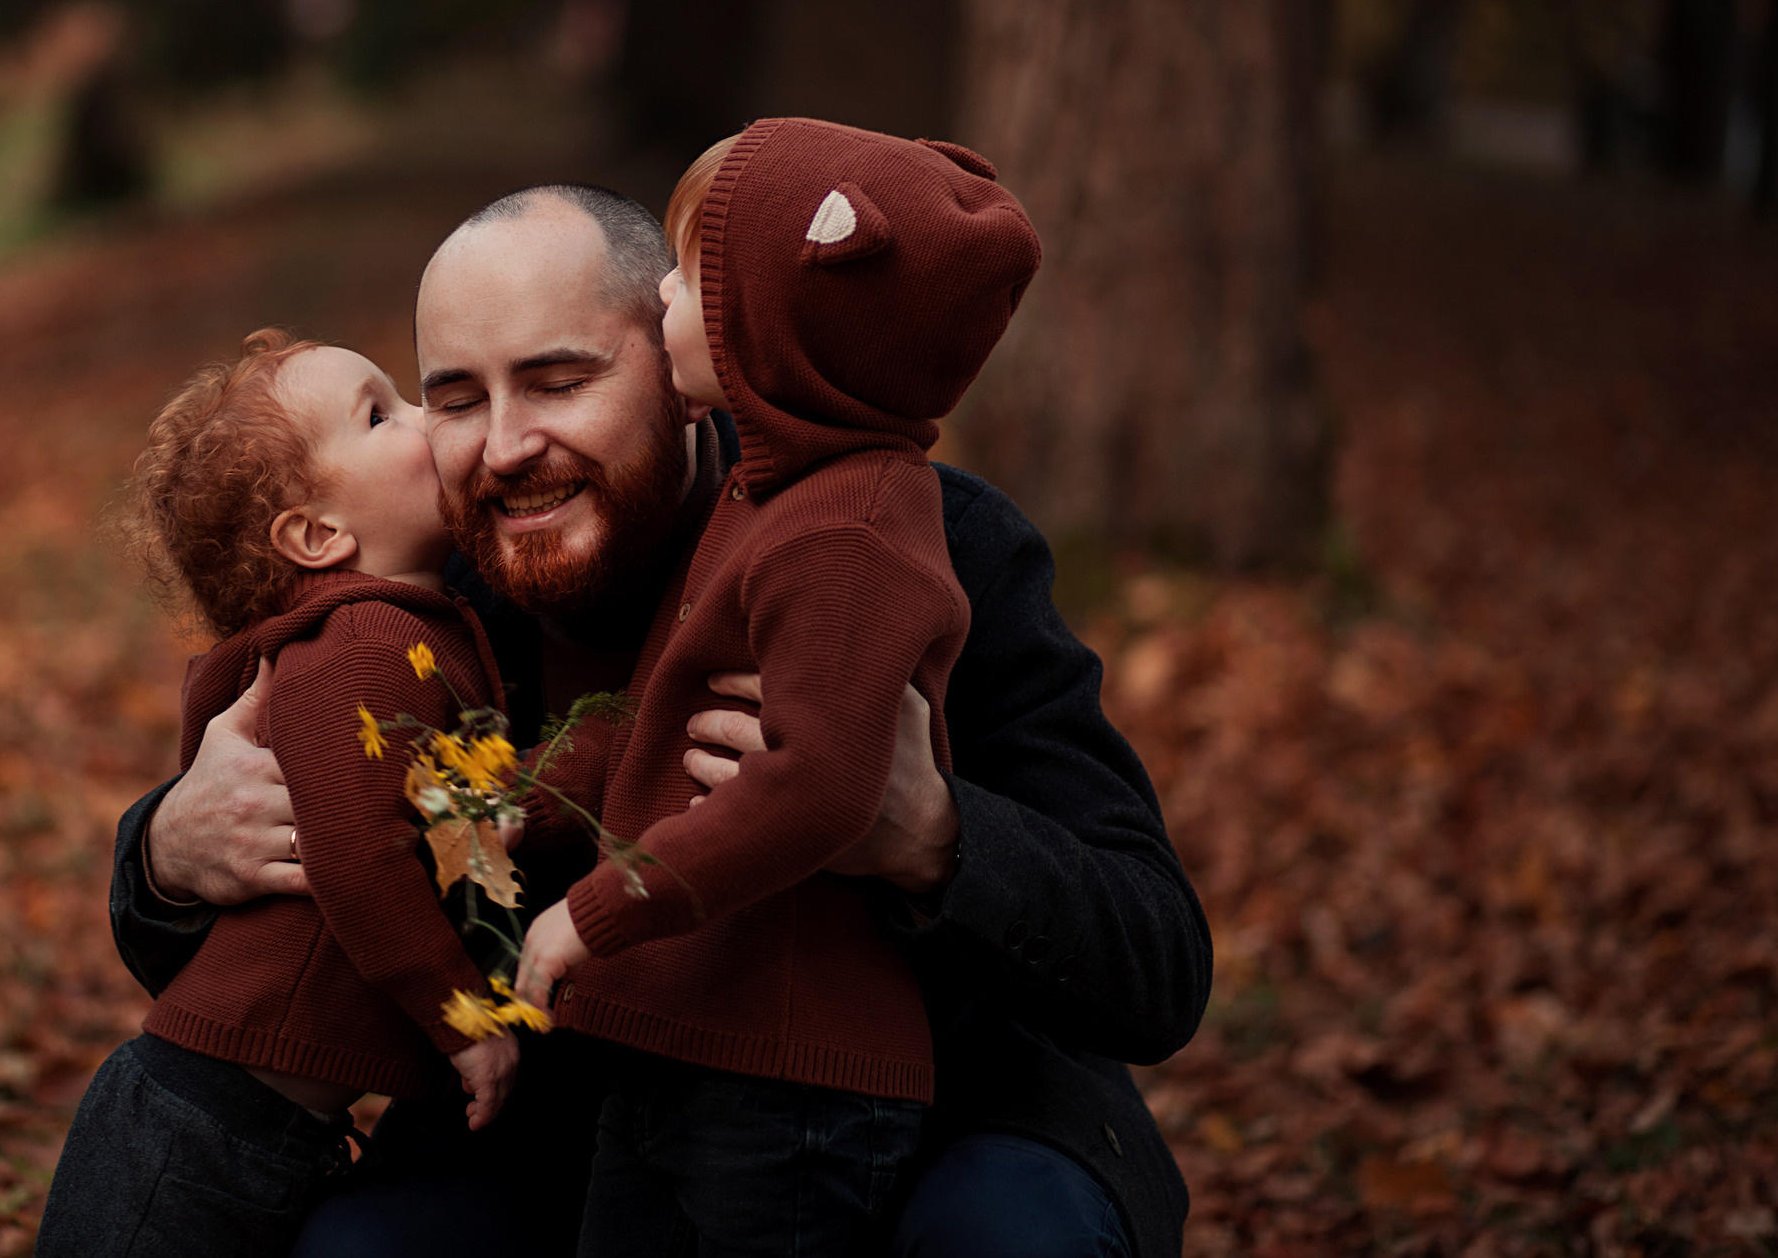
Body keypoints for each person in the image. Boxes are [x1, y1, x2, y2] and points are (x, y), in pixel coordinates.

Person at [109, 170, 1214, 1258]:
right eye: (453, 399)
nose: (502, 447)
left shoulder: (911, 545)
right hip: (566, 1120)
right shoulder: (434, 595)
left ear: (689, 362)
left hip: (944, 1109)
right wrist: (164, 851)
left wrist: (936, 841)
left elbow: (1155, 967)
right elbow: (295, 935)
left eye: (557, 380)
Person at [504, 120, 1042, 1252]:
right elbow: (662, 715)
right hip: (690, 1039)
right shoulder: (774, 500)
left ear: (785, 322)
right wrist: (523, 798)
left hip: (790, 1081)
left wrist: (593, 913)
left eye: (696, 273)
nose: (660, 292)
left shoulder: (848, 534)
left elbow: (820, 783)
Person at [35, 333, 525, 1257]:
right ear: (315, 534)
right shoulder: (362, 645)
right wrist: (468, 1019)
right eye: (385, 413)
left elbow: (458, 828)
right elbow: (359, 859)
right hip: (198, 1129)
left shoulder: (408, 631)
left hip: (257, 1125)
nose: (432, 422)